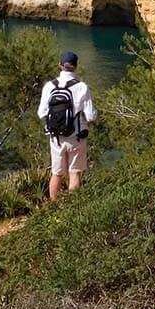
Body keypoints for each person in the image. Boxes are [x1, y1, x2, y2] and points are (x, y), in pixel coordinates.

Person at [37, 50, 96, 201]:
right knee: (75, 173)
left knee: (57, 173)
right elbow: (90, 115)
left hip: (56, 138)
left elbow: (41, 113)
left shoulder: (49, 86)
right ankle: (71, 210)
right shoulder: (82, 87)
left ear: (60, 65)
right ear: (76, 67)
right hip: (76, 136)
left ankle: (52, 208)